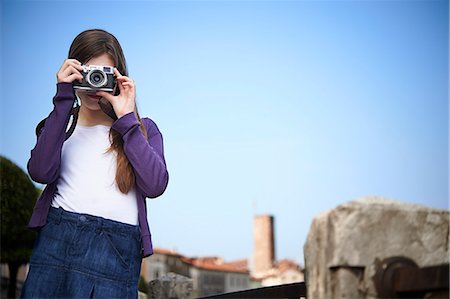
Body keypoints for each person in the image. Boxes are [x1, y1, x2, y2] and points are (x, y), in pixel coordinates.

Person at [20, 29, 169, 299]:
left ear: (119, 78)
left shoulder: (142, 130)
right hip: (56, 240)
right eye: (87, 73)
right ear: (72, 71)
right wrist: (63, 99)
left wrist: (126, 117)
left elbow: (156, 185)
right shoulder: (59, 124)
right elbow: (40, 171)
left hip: (116, 250)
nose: (95, 84)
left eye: (104, 75)